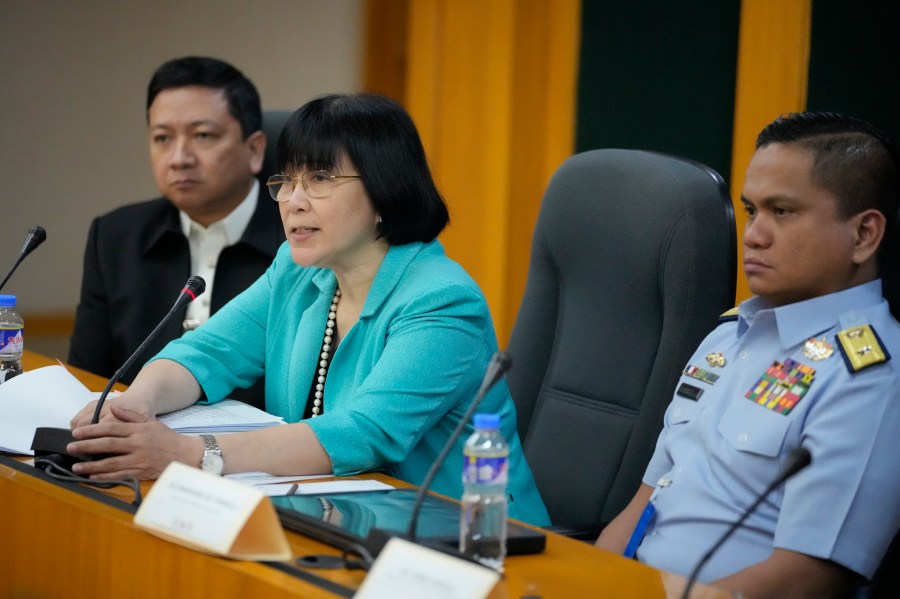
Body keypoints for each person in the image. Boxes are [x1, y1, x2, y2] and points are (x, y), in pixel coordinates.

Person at [66, 93, 551, 526]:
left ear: (384, 192)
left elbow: (364, 433)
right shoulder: (300, 272)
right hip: (331, 513)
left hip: (463, 538)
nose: (292, 202)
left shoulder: (442, 302)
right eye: (287, 181)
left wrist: (191, 453)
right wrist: (134, 406)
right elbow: (208, 351)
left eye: (319, 179)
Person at [596, 112, 900, 597]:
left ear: (863, 235)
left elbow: (808, 580)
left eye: (783, 212)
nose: (754, 235)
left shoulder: (869, 374)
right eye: (752, 210)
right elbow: (642, 507)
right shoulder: (727, 337)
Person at [68, 56, 283, 409]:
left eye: (202, 135)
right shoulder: (115, 238)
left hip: (265, 453)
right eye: (163, 138)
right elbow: (85, 378)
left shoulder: (299, 241)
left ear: (255, 149)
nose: (179, 157)